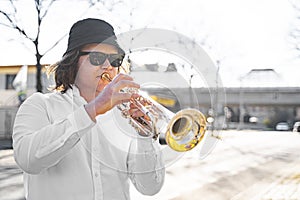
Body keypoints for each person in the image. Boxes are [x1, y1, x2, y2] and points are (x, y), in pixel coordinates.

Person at [13, 18, 165, 200]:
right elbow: (27, 159)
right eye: (97, 57)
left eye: (115, 59)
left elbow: (149, 187)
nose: (108, 66)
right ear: (73, 61)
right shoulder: (40, 105)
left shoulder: (125, 119)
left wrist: (145, 137)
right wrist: (93, 110)